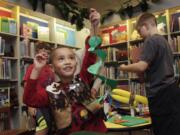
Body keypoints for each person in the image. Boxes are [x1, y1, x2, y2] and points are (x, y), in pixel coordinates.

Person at [120, 12, 180, 135]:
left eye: (139, 30)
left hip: (160, 94)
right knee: (173, 128)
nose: (140, 35)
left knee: (161, 130)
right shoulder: (164, 41)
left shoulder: (150, 40)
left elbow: (141, 66)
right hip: (171, 91)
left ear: (146, 26)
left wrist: (124, 68)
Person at [23, 42, 54, 135]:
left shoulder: (50, 69)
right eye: (43, 53)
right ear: (37, 53)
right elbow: (26, 85)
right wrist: (30, 106)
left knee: (48, 126)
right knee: (42, 126)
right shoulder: (32, 67)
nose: (46, 55)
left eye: (48, 53)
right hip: (35, 105)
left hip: (47, 104)